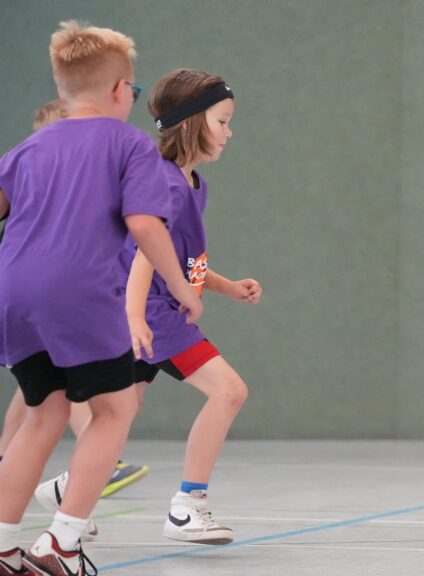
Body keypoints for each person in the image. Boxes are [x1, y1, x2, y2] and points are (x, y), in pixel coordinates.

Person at [0, 21, 202, 575]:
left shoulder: (27, 148)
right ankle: (61, 544)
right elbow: (144, 223)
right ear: (120, 91)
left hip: (14, 291)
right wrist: (182, 284)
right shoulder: (129, 143)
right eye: (133, 91)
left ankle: (2, 543)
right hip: (78, 291)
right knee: (116, 408)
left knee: (44, 412)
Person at [0, 101, 149, 536]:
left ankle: (13, 534)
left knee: (42, 403)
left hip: (30, 301)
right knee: (108, 407)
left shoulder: (48, 167)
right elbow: (148, 233)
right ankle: (63, 535)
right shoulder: (41, 163)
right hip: (63, 301)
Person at [125, 68, 258, 544]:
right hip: (157, 316)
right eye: (222, 122)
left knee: (120, 413)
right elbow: (144, 256)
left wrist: (225, 287)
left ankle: (66, 493)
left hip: (159, 311)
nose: (229, 132)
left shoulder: (193, 184)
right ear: (190, 123)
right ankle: (188, 506)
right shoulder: (166, 184)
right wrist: (136, 317)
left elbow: (181, 261)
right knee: (229, 391)